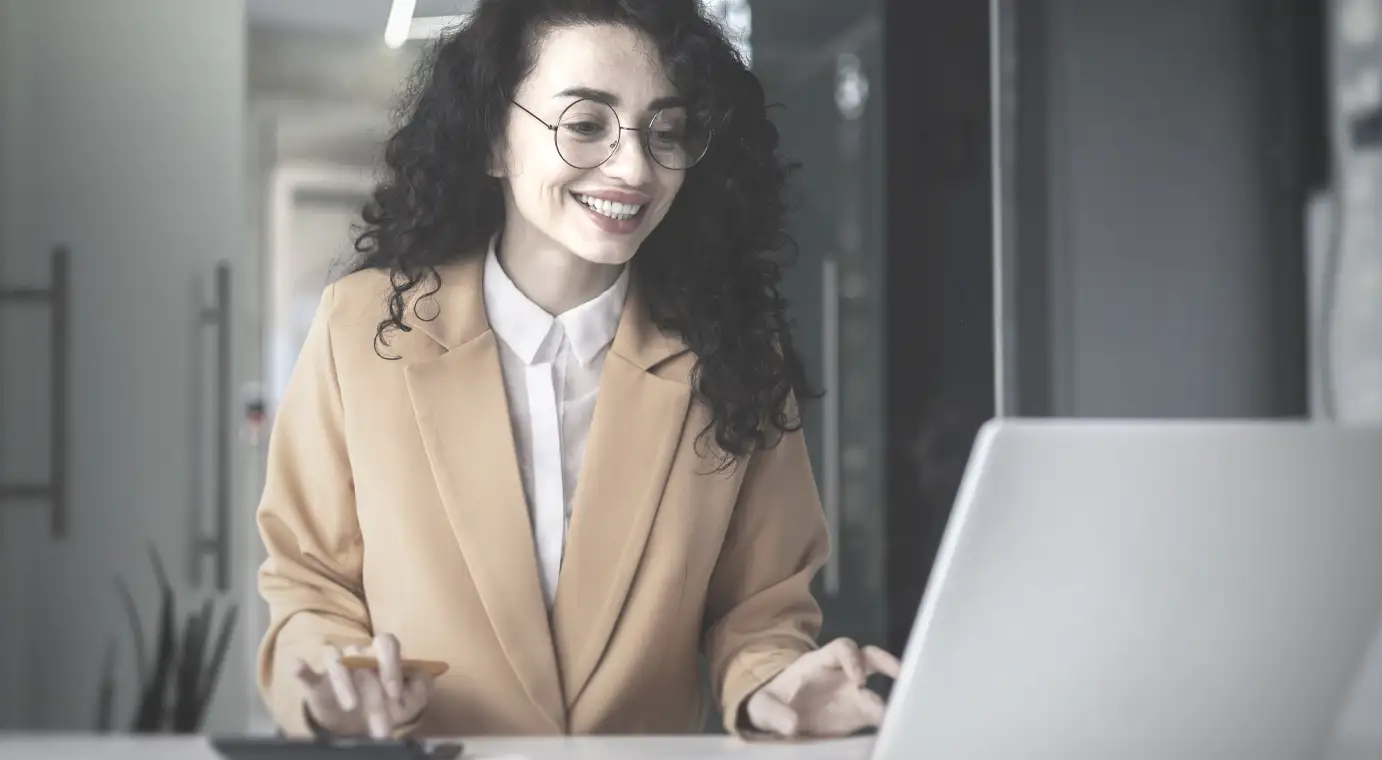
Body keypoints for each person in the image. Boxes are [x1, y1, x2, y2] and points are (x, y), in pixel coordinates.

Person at [253, 0, 899, 741]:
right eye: (586, 123)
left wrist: (772, 686)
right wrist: (336, 682)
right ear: (495, 138)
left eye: (665, 130)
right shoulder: (361, 329)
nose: (632, 167)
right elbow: (310, 582)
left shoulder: (734, 352)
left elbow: (760, 610)